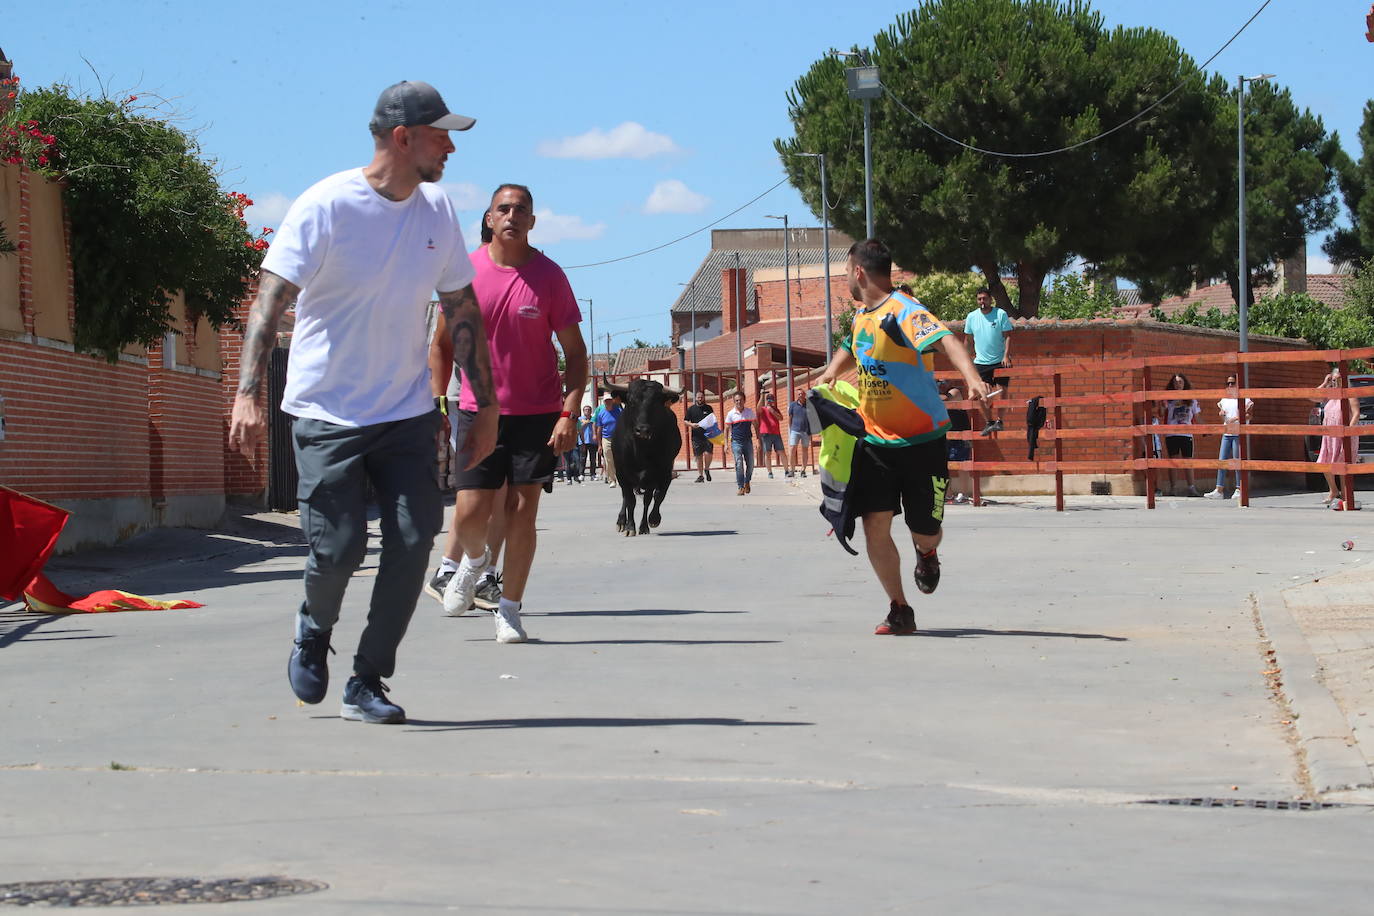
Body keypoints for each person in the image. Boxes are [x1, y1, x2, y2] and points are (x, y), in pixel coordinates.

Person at [228, 80, 496, 725]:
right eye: (441, 135)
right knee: (339, 548)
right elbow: (269, 301)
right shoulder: (326, 205)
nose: (450, 148)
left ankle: (367, 680)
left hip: (404, 409)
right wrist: (245, 394)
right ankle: (314, 627)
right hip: (326, 411)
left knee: (414, 536)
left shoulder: (437, 210)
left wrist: (482, 404)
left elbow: (460, 305)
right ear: (403, 139)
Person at [428, 183, 587, 644]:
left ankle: (510, 610)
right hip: (478, 410)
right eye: (504, 209)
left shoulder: (550, 277)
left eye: (521, 210)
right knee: (471, 511)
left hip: (537, 411)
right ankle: (474, 565)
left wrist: (568, 412)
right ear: (489, 218)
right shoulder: (464, 272)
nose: (512, 215)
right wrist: (438, 403)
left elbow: (575, 355)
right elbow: (439, 346)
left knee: (522, 510)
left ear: (532, 222)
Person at [817, 239, 990, 636]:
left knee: (924, 528)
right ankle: (899, 609)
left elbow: (946, 339)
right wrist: (830, 372)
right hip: (875, 443)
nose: (844, 277)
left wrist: (973, 378)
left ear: (858, 271)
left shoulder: (904, 312)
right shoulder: (863, 316)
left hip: (922, 441)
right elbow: (850, 345)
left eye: (845, 271)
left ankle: (927, 553)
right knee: (874, 523)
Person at [964, 287, 1013, 434]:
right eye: (979, 299)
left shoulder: (1000, 314)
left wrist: (1006, 355)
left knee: (1002, 391)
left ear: (990, 299)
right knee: (982, 394)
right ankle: (989, 422)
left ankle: (1000, 421)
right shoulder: (972, 317)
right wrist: (966, 359)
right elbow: (967, 339)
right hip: (981, 362)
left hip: (999, 360)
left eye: (984, 298)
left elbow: (1008, 335)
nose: (982, 301)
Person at [1315, 367, 1361, 507]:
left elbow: (1356, 413)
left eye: (1338, 379)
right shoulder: (1331, 393)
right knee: (1324, 463)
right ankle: (1333, 490)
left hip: (1344, 435)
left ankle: (1346, 497)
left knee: (1342, 467)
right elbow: (1313, 396)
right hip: (1329, 435)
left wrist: (1349, 431)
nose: (1336, 382)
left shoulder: (1349, 393)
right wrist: (1325, 382)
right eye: (1334, 380)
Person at [1204, 373, 1254, 499]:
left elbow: (1249, 415)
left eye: (1233, 383)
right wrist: (1221, 414)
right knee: (1222, 461)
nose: (1230, 385)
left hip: (1238, 433)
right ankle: (1219, 489)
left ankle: (1239, 488)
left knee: (1237, 461)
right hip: (1227, 433)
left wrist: (1236, 418)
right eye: (1228, 383)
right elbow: (1222, 414)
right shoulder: (1224, 399)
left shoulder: (1245, 398)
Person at [1159, 373, 1201, 497]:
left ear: (1185, 384)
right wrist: (1162, 406)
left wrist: (1206, 428)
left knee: (1188, 461)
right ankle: (1173, 488)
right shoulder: (1168, 398)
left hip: (1186, 434)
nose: (1178, 385)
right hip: (1171, 433)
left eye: (1180, 382)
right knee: (1173, 461)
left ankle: (1191, 488)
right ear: (1172, 385)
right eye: (1176, 382)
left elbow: (1197, 416)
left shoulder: (1191, 399)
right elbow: (1161, 414)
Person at [942, 382, 973, 504]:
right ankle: (948, 494)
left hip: (961, 434)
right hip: (945, 434)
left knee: (962, 465)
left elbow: (945, 399)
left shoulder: (955, 391)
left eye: (942, 382)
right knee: (944, 465)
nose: (940, 384)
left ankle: (964, 494)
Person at [724, 391, 756, 495]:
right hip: (736, 442)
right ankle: (740, 486)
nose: (739, 402)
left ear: (744, 400)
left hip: (748, 442)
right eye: (736, 400)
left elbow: (756, 425)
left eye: (740, 400)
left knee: (750, 464)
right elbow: (726, 429)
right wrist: (726, 444)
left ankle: (747, 481)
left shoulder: (749, 412)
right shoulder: (731, 414)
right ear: (734, 401)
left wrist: (758, 440)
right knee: (739, 464)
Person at [684, 390, 714, 482]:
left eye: (701, 397)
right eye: (698, 397)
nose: (700, 399)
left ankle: (707, 469)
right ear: (695, 398)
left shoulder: (709, 408)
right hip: (696, 436)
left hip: (708, 434)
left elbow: (712, 419)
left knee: (709, 453)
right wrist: (692, 425)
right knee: (698, 456)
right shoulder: (691, 409)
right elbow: (685, 421)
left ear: (704, 398)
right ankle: (700, 475)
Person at [756, 391, 788, 478]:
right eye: (768, 400)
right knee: (768, 453)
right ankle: (770, 472)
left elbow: (781, 418)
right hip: (766, 434)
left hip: (776, 434)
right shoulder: (763, 409)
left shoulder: (775, 409)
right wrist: (762, 396)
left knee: (782, 452)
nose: (769, 401)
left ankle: (786, 471)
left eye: (771, 400)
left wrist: (772, 411)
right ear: (766, 401)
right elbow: (757, 408)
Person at [596, 390, 623, 486]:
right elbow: (599, 429)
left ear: (612, 401)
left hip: (618, 438)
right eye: (606, 401)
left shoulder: (619, 410)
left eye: (609, 400)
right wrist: (599, 445)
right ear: (604, 402)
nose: (608, 402)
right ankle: (612, 480)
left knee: (619, 459)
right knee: (609, 459)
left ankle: (620, 478)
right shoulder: (601, 413)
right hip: (606, 438)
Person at [786, 388, 812, 479]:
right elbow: (790, 418)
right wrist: (791, 429)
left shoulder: (809, 405)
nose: (800, 395)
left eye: (802, 394)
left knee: (805, 450)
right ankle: (791, 470)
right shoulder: (792, 405)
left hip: (806, 431)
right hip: (795, 430)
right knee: (792, 449)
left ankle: (803, 470)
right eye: (799, 394)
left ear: (804, 395)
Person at [576, 404, 597, 480]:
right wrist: (584, 423)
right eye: (586, 409)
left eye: (589, 409)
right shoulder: (579, 419)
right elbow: (577, 429)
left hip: (593, 441)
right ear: (583, 411)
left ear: (591, 411)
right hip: (583, 441)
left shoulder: (594, 419)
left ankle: (593, 474)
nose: (587, 411)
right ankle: (581, 474)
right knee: (582, 458)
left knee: (593, 459)